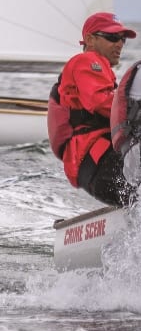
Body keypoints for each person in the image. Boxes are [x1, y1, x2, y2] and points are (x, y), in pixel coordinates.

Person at [48, 12, 137, 207]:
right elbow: (99, 102)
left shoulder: (99, 70)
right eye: (112, 38)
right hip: (98, 161)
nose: (120, 44)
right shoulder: (87, 61)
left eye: (122, 39)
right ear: (90, 39)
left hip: (92, 167)